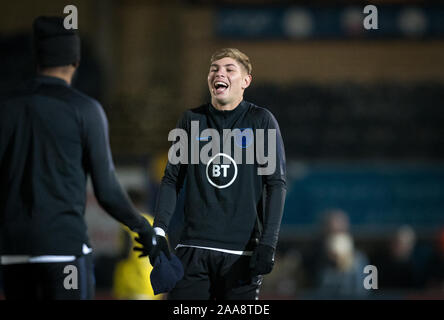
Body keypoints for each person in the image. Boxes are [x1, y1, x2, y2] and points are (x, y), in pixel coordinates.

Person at [0, 16, 157, 300]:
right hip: (64, 250)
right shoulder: (85, 110)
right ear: (75, 61)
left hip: (13, 252)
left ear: (37, 57)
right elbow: (107, 189)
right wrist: (142, 227)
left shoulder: (7, 108)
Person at [140, 48, 287, 300]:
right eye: (214, 69)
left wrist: (269, 242)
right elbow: (171, 180)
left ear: (246, 81)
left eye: (230, 69)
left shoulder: (261, 121)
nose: (220, 73)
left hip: (242, 255)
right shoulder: (191, 120)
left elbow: (276, 184)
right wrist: (160, 230)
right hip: (192, 251)